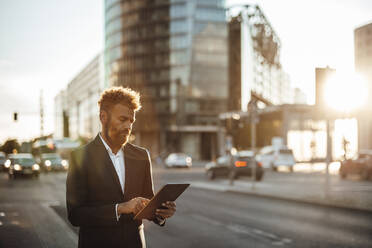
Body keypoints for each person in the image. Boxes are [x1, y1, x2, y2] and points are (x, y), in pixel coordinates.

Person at [66, 86, 176, 248]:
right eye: (122, 119)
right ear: (103, 117)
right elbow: (75, 215)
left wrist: (161, 213)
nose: (128, 126)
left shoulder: (142, 156)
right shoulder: (80, 157)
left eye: (131, 121)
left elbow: (147, 201)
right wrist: (120, 208)